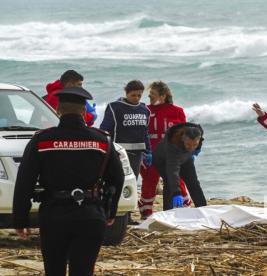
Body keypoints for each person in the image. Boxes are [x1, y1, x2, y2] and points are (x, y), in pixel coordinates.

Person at [13, 87, 124, 276]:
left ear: (57, 110)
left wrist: (20, 219)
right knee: (83, 270)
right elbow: (117, 177)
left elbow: (25, 181)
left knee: (54, 270)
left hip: (54, 214)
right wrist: (110, 210)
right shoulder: (102, 140)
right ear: (84, 112)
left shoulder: (42, 141)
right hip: (91, 215)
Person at [138, 81, 192, 219]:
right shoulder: (145, 110)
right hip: (150, 153)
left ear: (163, 96)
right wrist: (143, 152)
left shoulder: (177, 111)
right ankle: (146, 213)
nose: (149, 97)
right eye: (149, 95)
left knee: (177, 180)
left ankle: (183, 210)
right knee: (149, 182)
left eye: (152, 95)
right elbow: (139, 132)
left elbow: (185, 134)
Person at [99, 80, 152, 179]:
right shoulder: (114, 107)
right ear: (126, 93)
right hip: (118, 151)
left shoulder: (145, 110)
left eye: (139, 95)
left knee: (132, 179)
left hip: (137, 153)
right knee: (117, 179)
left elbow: (145, 132)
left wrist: (149, 151)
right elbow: (104, 130)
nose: (136, 98)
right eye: (133, 95)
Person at [153, 123, 207, 210]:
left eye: (195, 145)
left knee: (194, 183)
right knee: (169, 183)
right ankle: (168, 213)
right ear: (183, 139)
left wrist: (198, 148)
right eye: (188, 144)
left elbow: (199, 140)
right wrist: (177, 193)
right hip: (163, 161)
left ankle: (203, 210)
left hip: (185, 158)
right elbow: (173, 172)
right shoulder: (173, 145)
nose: (191, 148)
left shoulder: (198, 131)